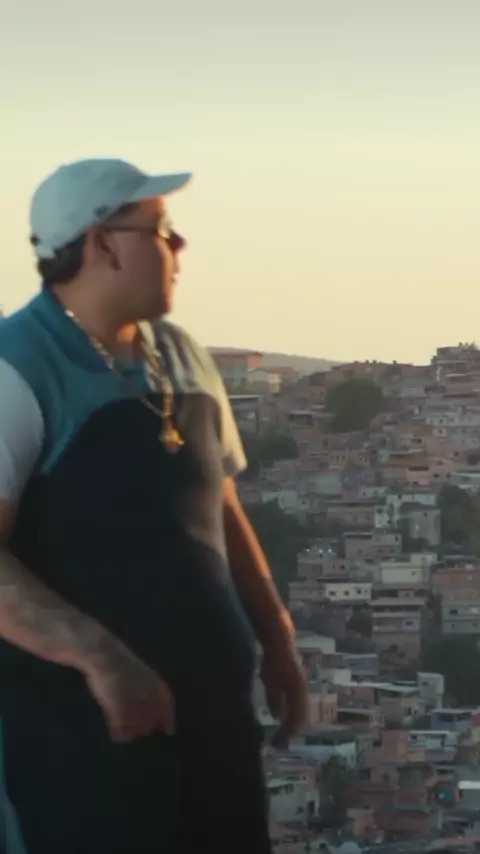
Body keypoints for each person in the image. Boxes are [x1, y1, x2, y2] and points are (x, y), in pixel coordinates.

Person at [0, 158, 308, 854]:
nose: (179, 245)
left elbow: (217, 505)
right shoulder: (17, 367)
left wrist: (277, 636)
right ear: (103, 243)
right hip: (83, 743)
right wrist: (101, 657)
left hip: (215, 733)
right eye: (161, 231)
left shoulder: (183, 355)